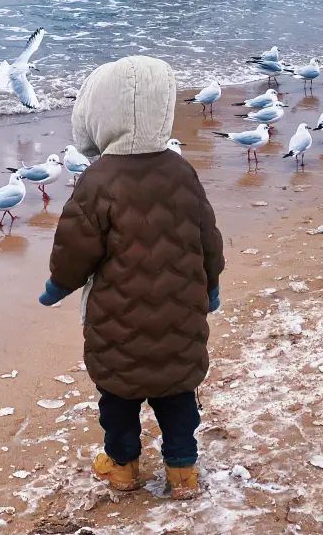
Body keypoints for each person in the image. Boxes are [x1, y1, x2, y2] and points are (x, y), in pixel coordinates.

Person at [38, 56, 225, 500]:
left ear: (98, 114)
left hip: (117, 319)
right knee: (178, 396)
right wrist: (210, 284)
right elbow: (207, 236)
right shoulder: (181, 170)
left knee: (118, 400)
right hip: (180, 313)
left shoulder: (98, 178)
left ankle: (122, 469)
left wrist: (58, 286)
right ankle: (183, 472)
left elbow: (76, 244)